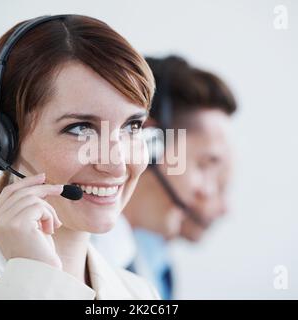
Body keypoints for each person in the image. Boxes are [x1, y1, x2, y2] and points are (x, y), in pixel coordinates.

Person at [0, 15, 159, 300]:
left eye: (132, 126)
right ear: (2, 141)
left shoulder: (139, 292)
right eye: (80, 129)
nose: (115, 165)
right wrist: (34, 279)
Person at [93, 55, 237, 299]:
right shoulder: (74, 262)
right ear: (148, 142)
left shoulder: (148, 265)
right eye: (203, 165)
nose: (208, 192)